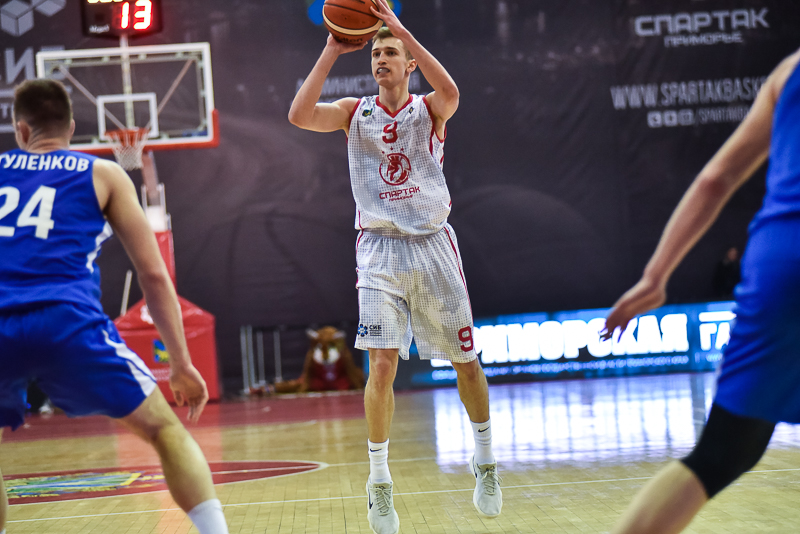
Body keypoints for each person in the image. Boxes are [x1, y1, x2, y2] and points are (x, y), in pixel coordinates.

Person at [288, 1, 502, 532]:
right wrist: (332, 49)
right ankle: (379, 481)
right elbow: (298, 115)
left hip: (432, 244)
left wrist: (403, 31)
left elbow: (452, 92)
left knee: (466, 361)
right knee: (381, 364)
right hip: (379, 249)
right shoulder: (353, 112)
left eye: (390, 53)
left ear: (409, 65)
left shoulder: (430, 109)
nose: (380, 59)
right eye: (376, 53)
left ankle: (485, 461)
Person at [0, 79, 229, 534]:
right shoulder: (102, 174)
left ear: (20, 130)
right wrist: (180, 364)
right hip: (67, 323)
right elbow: (154, 275)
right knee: (165, 431)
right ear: (71, 128)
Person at [602, 48, 800, 534]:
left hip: (781, 262)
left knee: (722, 453)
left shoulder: (789, 70)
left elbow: (716, 178)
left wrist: (655, 277)